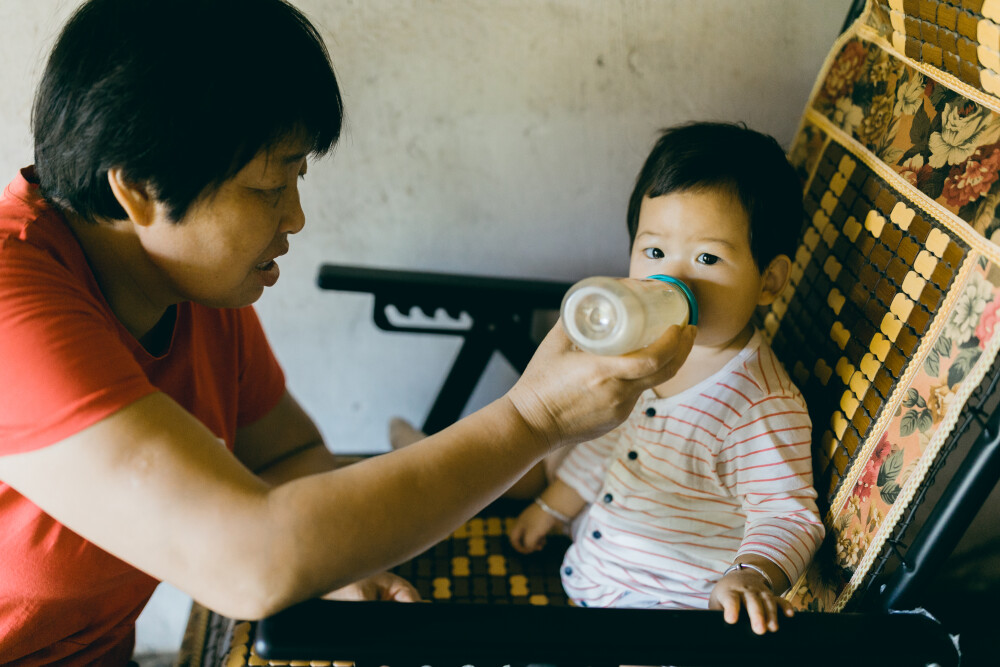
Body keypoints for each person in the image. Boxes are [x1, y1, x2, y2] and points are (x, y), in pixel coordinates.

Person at [0, 1, 696, 664]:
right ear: (140, 188)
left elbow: (286, 452)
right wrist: (534, 416)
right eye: (269, 188)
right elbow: (249, 561)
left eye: (297, 179)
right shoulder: (14, 308)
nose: (296, 217)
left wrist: (332, 569)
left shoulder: (190, 285)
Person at [507, 122, 825, 635]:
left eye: (707, 258)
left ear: (769, 280)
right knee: (550, 450)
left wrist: (752, 575)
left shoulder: (760, 405)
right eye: (654, 253)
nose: (673, 280)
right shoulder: (643, 353)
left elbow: (786, 515)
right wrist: (553, 506)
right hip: (594, 569)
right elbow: (608, 442)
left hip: (665, 612)